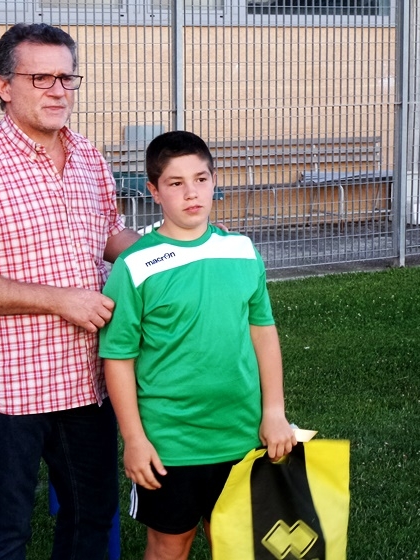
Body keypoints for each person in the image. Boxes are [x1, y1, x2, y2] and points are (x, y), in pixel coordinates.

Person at [0, 23, 140, 558]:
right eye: (41, 78)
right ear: (4, 86)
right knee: (4, 532)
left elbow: (108, 236)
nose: (58, 90)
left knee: (92, 517)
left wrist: (180, 251)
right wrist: (61, 300)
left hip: (87, 378)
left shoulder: (87, 156)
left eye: (67, 78)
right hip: (11, 386)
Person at [98, 130, 298, 559]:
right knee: (171, 546)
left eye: (201, 179)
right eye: (176, 183)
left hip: (242, 434)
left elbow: (263, 332)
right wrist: (134, 439)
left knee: (237, 546)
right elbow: (118, 358)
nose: (192, 193)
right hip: (171, 442)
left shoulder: (242, 250)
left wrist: (274, 412)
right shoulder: (135, 266)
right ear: (154, 190)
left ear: (214, 181)